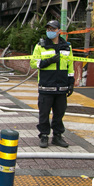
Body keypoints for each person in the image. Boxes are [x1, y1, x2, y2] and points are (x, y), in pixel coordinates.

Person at [30, 20, 74, 149]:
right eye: (48, 29)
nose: (50, 31)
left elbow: (70, 66)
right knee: (44, 113)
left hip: (62, 86)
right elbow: (34, 63)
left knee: (59, 113)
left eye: (52, 29)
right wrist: (48, 61)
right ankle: (44, 135)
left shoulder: (67, 46)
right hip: (46, 86)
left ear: (59, 31)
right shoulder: (41, 45)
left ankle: (57, 136)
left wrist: (71, 83)